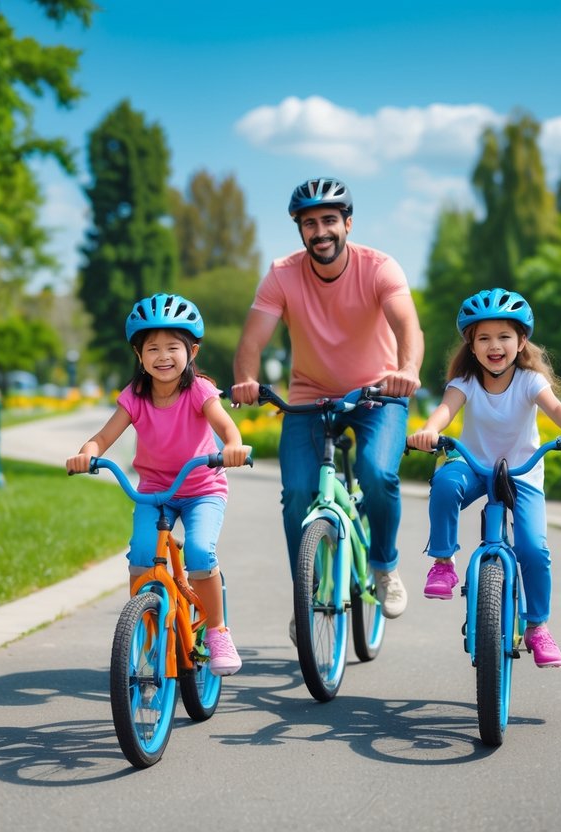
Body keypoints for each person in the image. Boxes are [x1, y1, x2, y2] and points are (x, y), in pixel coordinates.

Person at [231, 177, 423, 629]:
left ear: (348, 224)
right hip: (308, 397)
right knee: (297, 493)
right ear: (300, 230)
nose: (321, 231)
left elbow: (407, 328)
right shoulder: (282, 274)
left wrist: (408, 370)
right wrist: (246, 381)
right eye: (310, 223)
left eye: (330, 221)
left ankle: (384, 565)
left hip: (378, 394)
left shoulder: (380, 268)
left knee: (378, 474)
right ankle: (309, 591)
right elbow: (251, 341)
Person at [406, 288, 561, 668]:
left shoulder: (530, 381)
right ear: (472, 345)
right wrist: (428, 431)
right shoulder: (465, 382)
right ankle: (443, 563)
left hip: (522, 472)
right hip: (475, 464)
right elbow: (445, 411)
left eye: (504, 337)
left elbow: (556, 408)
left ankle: (538, 627)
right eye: (484, 338)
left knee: (533, 550)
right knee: (445, 483)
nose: (494, 346)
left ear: (521, 340)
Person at [66, 293, 250, 676]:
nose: (163, 356)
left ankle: (217, 631)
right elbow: (103, 437)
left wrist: (232, 445)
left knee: (200, 552)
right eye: (152, 348)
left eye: (172, 347)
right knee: (140, 556)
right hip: (153, 491)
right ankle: (147, 630)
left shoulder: (199, 390)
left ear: (192, 351)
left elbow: (225, 426)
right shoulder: (134, 396)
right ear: (139, 356)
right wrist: (87, 451)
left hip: (202, 488)